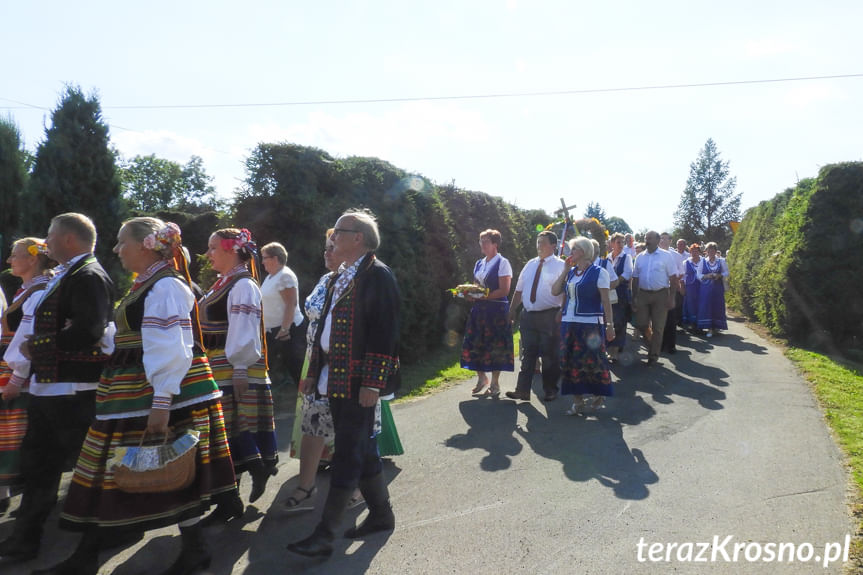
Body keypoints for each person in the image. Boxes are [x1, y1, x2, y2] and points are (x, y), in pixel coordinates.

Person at [36, 217, 237, 575]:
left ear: (146, 245)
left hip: (157, 392)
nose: (116, 249)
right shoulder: (146, 284)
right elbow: (138, 336)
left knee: (164, 468)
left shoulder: (167, 286)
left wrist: (161, 402)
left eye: (120, 242)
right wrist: (107, 338)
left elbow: (174, 347)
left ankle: (191, 550)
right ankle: (91, 555)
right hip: (131, 390)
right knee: (116, 469)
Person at [0, 213, 114, 564]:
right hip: (51, 387)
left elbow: (90, 329)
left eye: (49, 235)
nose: (44, 242)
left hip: (74, 390)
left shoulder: (89, 275)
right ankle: (25, 540)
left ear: (68, 239)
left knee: (87, 472)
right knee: (39, 466)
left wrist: (41, 345)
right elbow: (24, 319)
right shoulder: (66, 274)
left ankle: (87, 552)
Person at [288, 209, 401, 559]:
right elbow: (324, 328)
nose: (332, 236)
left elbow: (386, 334)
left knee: (349, 454)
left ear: (359, 238)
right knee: (362, 448)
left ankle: (325, 535)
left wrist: (373, 384)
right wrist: (312, 371)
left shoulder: (378, 276)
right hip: (332, 378)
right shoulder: (341, 276)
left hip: (356, 382)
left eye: (338, 231)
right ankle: (381, 516)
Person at [199, 228, 277, 523]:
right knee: (225, 439)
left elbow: (243, 328)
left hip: (234, 370)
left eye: (213, 248)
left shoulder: (243, 285)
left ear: (232, 250)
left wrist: (241, 367)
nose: (208, 254)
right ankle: (229, 499)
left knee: (231, 435)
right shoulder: (225, 283)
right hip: (221, 369)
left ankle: (239, 489)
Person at [285, 231, 339, 509]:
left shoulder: (356, 281)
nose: (327, 253)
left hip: (343, 367)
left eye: (333, 247)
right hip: (315, 362)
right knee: (312, 424)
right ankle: (306, 487)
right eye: (325, 248)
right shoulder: (324, 280)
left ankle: (359, 488)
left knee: (349, 430)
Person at [0, 238, 53, 514]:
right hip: (13, 366)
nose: (9, 261)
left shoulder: (40, 290)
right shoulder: (28, 289)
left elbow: (30, 337)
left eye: (14, 255)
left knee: (20, 432)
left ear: (32, 259)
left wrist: (17, 377)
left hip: (24, 370)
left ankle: (24, 497)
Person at [552, 236, 615, 414]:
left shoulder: (599, 272)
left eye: (574, 249)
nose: (571, 253)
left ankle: (598, 393)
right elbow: (555, 291)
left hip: (590, 324)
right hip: (568, 323)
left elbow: (606, 300)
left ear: (584, 252)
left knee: (593, 361)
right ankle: (577, 401)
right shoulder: (571, 273)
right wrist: (564, 271)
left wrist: (610, 324)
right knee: (568, 360)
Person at [505, 230, 565, 402]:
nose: (539, 246)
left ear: (553, 245)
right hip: (528, 315)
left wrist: (562, 310)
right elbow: (519, 289)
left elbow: (566, 292)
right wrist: (511, 310)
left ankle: (550, 389)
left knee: (549, 355)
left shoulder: (560, 265)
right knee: (528, 354)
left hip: (549, 316)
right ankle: (522, 390)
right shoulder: (530, 264)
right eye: (538, 242)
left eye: (543, 242)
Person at [460, 229, 514, 397]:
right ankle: (482, 378)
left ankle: (495, 382)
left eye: (486, 242)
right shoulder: (479, 263)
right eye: (481, 241)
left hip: (496, 310)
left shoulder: (502, 262)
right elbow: (476, 287)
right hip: (480, 310)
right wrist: (468, 294)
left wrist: (482, 296)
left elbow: (504, 290)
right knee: (474, 342)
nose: (482, 245)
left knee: (496, 345)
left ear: (495, 244)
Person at [631, 231, 679, 366]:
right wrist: (634, 297)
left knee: (658, 327)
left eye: (650, 238)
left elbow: (673, 277)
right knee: (641, 324)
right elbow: (635, 278)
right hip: (643, 294)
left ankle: (653, 355)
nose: (647, 241)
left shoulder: (666, 256)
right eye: (646, 238)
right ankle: (653, 345)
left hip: (661, 295)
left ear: (658, 240)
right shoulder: (640, 257)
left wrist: (672, 297)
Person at [260, 242, 306, 386]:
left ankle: (311, 400)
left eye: (264, 258)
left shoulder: (285, 276)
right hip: (273, 331)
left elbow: (290, 304)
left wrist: (285, 329)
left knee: (296, 368)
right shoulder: (270, 277)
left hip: (288, 331)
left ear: (275, 258)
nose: (262, 262)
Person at [659, 233, 685, 355]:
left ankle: (671, 345)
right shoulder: (656, 254)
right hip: (659, 289)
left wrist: (674, 279)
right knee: (659, 319)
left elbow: (682, 271)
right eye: (661, 238)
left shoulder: (676, 255)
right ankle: (660, 344)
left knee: (671, 318)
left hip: (671, 289)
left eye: (665, 238)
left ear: (670, 241)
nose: (663, 241)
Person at [696, 242, 729, 337]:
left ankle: (716, 326)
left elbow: (727, 272)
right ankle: (709, 328)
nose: (711, 252)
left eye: (713, 250)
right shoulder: (703, 261)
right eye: (709, 250)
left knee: (717, 306)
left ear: (715, 251)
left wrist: (720, 275)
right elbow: (698, 274)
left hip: (718, 288)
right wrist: (706, 276)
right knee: (707, 306)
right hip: (705, 288)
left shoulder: (721, 261)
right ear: (706, 251)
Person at [608, 233, 633, 360]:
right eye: (618, 242)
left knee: (619, 322)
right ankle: (610, 347)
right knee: (609, 321)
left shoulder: (626, 257)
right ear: (612, 243)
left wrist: (616, 281)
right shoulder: (607, 258)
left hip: (620, 294)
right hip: (608, 295)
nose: (621, 245)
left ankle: (616, 350)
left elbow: (628, 272)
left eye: (623, 242)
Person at [681, 243, 702, 330]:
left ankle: (700, 322)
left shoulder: (704, 261)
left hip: (702, 286)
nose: (694, 253)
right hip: (690, 286)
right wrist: (682, 287)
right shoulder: (686, 262)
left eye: (696, 251)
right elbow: (682, 276)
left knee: (701, 304)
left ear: (699, 252)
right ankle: (692, 323)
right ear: (690, 252)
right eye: (692, 251)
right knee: (690, 304)